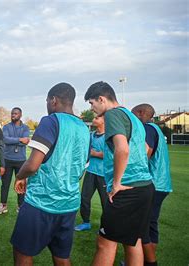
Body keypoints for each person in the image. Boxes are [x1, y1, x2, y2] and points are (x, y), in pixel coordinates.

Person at [11, 82, 90, 265]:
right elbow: (81, 168)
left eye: (47, 101)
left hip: (42, 202)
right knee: (62, 256)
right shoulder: (84, 128)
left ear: (53, 100)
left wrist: (20, 176)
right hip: (69, 204)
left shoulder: (51, 121)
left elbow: (32, 165)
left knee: (22, 251)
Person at [85, 81, 154, 266]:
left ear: (101, 99)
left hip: (126, 190)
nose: (92, 108)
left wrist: (116, 183)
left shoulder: (113, 114)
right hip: (144, 186)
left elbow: (122, 150)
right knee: (133, 241)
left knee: (105, 244)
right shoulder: (132, 117)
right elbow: (146, 149)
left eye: (92, 103)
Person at [132, 103, 172, 266]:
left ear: (141, 113)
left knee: (143, 226)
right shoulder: (156, 129)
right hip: (161, 184)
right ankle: (144, 260)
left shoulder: (148, 128)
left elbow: (144, 153)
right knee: (150, 225)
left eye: (133, 114)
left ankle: (148, 262)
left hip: (153, 184)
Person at [0, 107, 30, 215]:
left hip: (21, 160)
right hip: (7, 159)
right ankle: (3, 205)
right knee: (5, 184)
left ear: (20, 115)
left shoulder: (25, 128)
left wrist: (14, 140)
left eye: (15, 113)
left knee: (21, 184)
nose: (13, 115)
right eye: (12, 113)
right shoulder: (6, 127)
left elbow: (26, 141)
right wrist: (19, 140)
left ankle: (20, 205)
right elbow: (5, 139)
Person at [75, 115, 107, 231]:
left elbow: (112, 155)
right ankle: (86, 222)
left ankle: (105, 226)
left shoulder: (108, 137)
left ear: (104, 121)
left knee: (105, 202)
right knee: (84, 198)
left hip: (103, 174)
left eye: (97, 118)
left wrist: (95, 154)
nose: (93, 119)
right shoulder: (91, 135)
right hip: (90, 172)